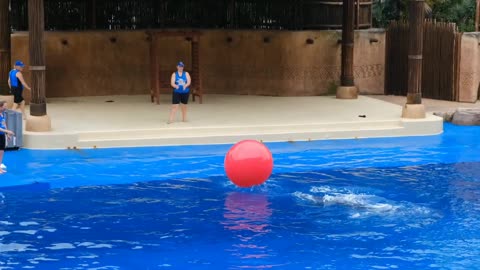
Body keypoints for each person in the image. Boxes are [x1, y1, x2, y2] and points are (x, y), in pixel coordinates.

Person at [0, 101, 15, 174]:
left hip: (2, 135)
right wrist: (8, 131)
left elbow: (3, 123)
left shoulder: (3, 114)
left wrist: (7, 134)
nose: (6, 107)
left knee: (1, 151)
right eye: (5, 106)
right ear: (1, 106)